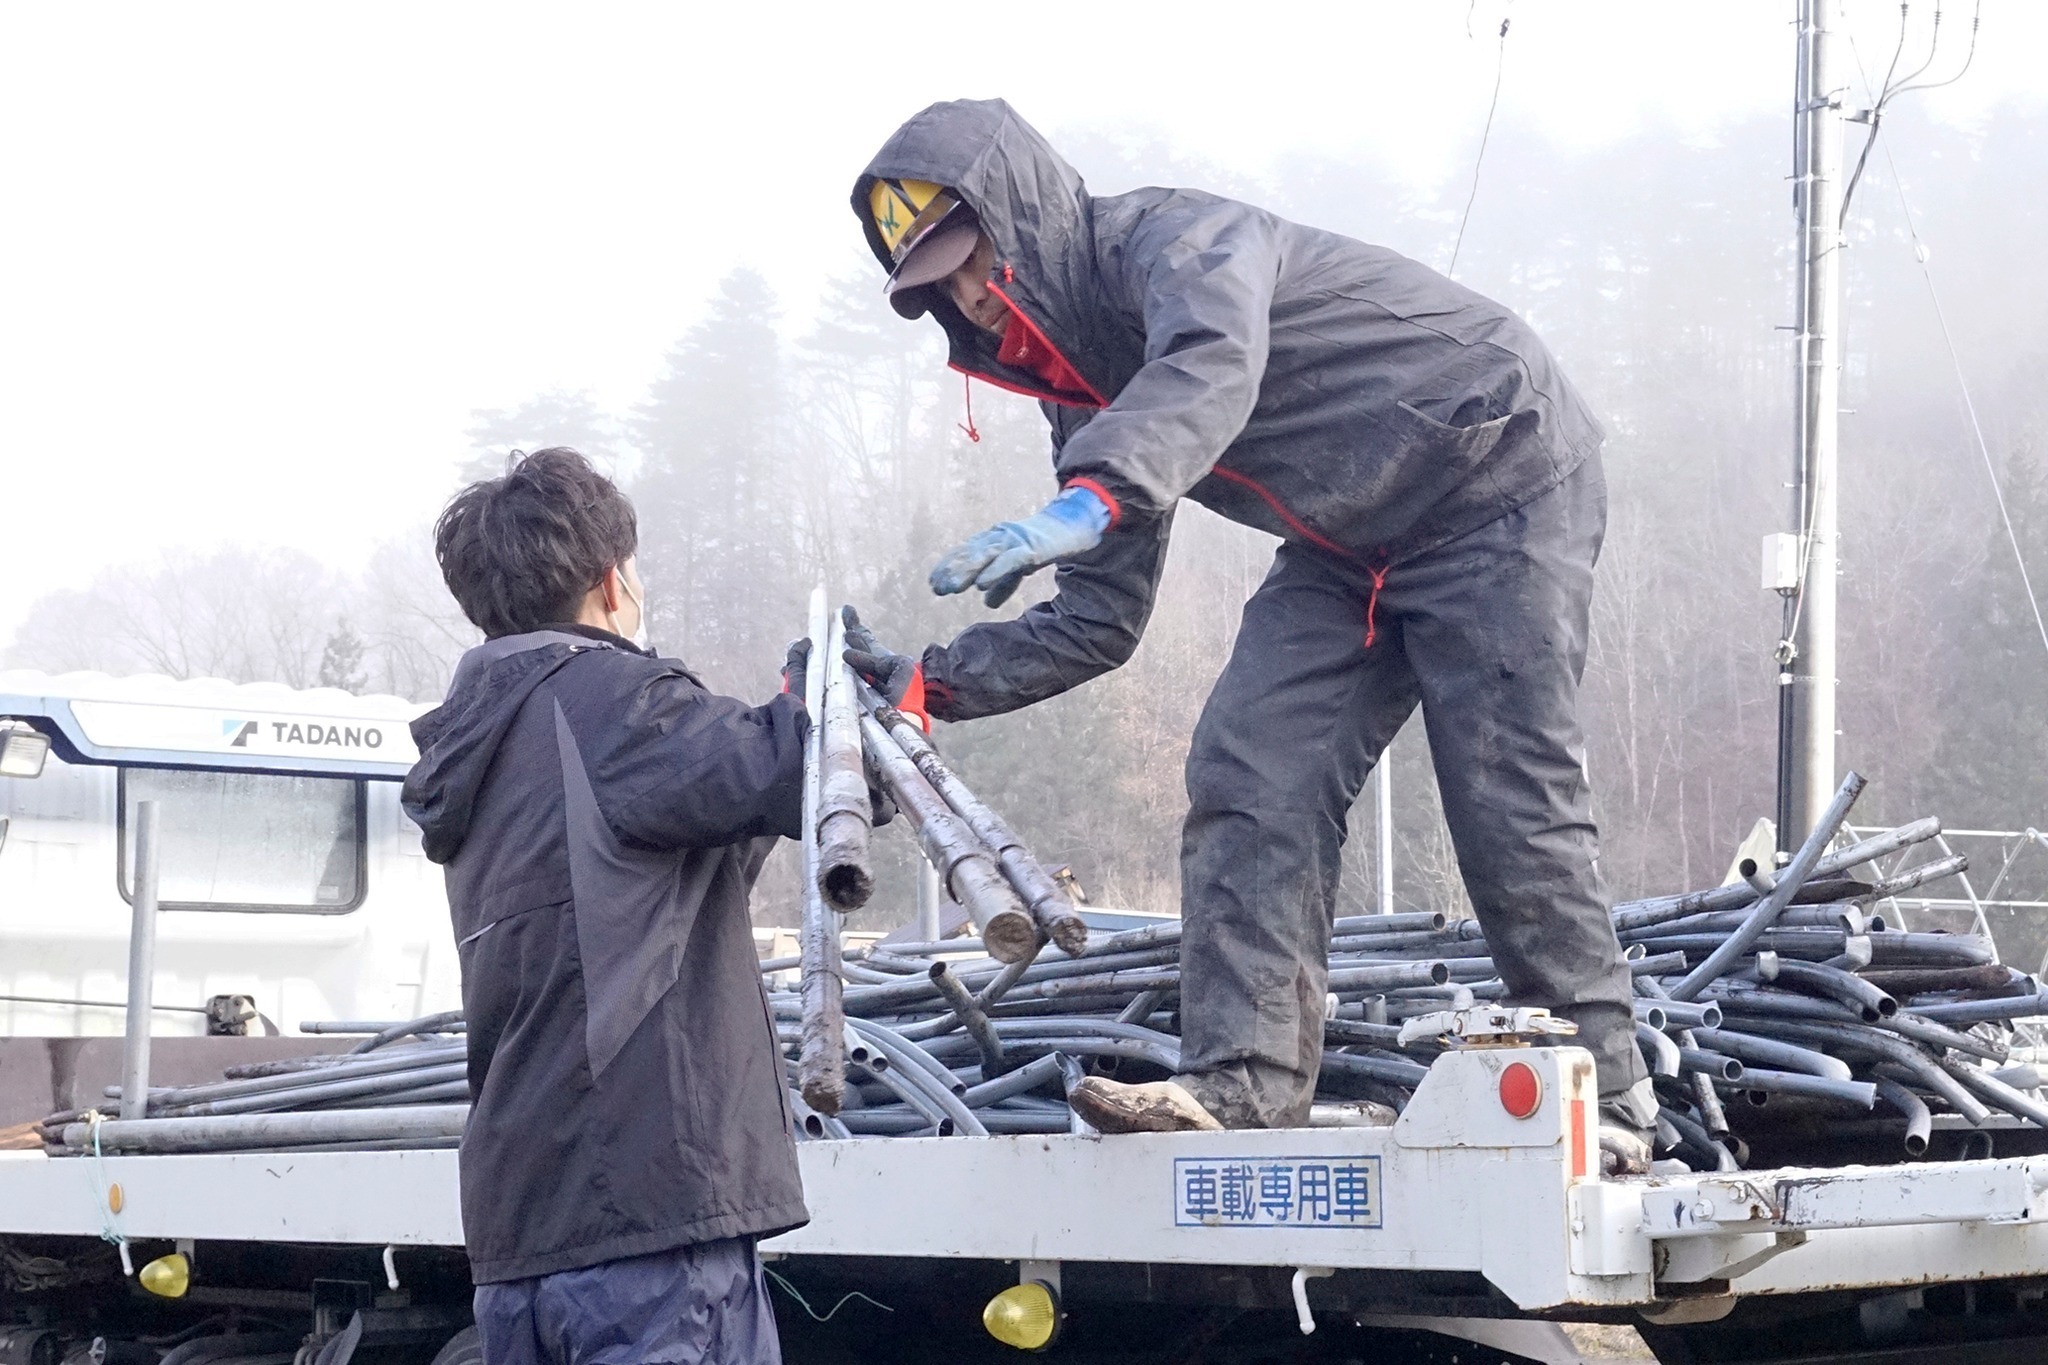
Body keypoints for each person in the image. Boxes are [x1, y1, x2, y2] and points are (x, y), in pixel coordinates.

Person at [847, 99, 1657, 1164]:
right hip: (1352, 541)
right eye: (938, 287)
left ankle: (1610, 1101)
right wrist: (929, 684)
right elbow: (1098, 619)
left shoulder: (1179, 243)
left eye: (970, 258)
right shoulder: (1086, 405)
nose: (967, 296)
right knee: (1247, 765)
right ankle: (1239, 1086)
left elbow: (1208, 362)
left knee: (1506, 794)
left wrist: (1094, 497)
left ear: (1023, 215)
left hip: (1491, 468)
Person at [402, 448, 809, 1364]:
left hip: (522, 1238)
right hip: (647, 1226)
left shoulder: (484, 734)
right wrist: (858, 705)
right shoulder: (610, 702)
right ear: (609, 581)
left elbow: (669, 863)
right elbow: (798, 770)